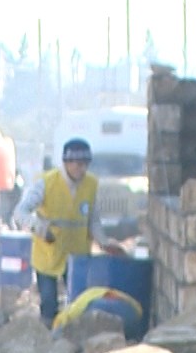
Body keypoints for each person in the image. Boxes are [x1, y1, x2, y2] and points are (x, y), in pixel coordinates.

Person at [13, 139, 120, 325]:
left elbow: (92, 219)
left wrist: (103, 240)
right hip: (48, 255)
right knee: (48, 303)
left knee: (77, 302)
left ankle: (73, 339)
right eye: (78, 164)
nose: (82, 169)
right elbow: (20, 212)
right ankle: (49, 340)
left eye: (85, 164)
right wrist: (38, 227)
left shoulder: (91, 184)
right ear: (66, 163)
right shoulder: (46, 183)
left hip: (77, 255)